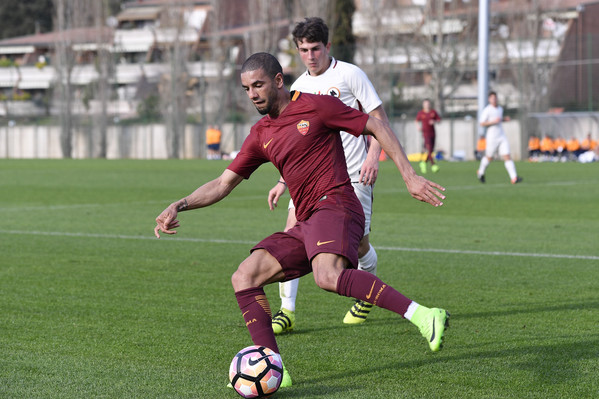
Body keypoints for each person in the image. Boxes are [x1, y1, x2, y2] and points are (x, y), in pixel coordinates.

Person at [154, 53, 450, 388]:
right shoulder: (260, 133)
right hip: (306, 220)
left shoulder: (317, 106)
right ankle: (274, 367)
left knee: (327, 275)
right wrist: (179, 204)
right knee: (245, 275)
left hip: (337, 204)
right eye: (246, 88)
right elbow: (223, 184)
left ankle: (424, 315)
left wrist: (409, 176)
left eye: (258, 85)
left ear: (278, 81)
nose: (252, 93)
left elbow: (376, 124)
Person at [267, 17, 388, 333]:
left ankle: (368, 291)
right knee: (292, 232)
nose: (310, 56)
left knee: (359, 247)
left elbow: (378, 119)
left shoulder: (350, 75)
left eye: (315, 49)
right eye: (304, 50)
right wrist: (282, 182)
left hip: (352, 176)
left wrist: (374, 156)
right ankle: (287, 311)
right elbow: (294, 141)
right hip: (309, 180)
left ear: (328, 47)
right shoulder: (297, 88)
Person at [476, 91, 522, 184]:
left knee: (507, 155)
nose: (494, 99)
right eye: (492, 98)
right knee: (489, 157)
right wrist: (493, 121)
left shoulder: (500, 109)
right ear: (489, 99)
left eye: (495, 98)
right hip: (492, 137)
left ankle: (514, 178)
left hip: (501, 135)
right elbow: (482, 123)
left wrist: (504, 119)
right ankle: (480, 172)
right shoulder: (487, 110)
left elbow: (499, 120)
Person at [415, 99, 442, 173]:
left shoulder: (433, 112)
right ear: (423, 105)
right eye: (425, 104)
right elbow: (416, 121)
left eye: (428, 104)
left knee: (431, 150)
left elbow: (439, 120)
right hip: (425, 134)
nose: (427, 105)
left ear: (430, 104)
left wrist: (434, 121)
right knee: (429, 149)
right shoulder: (421, 113)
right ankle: (433, 165)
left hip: (433, 133)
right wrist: (418, 127)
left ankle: (423, 163)